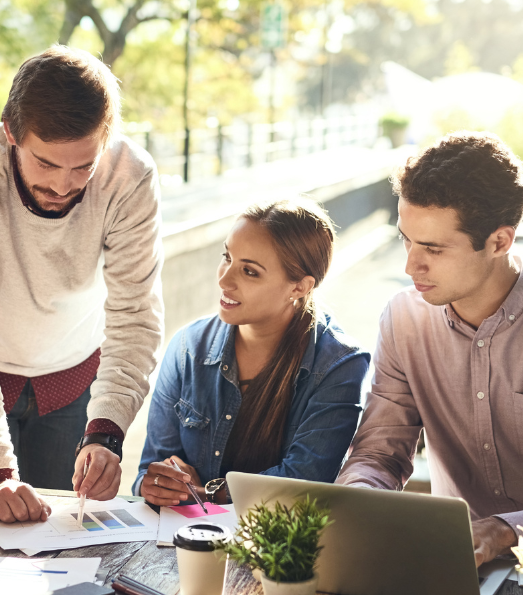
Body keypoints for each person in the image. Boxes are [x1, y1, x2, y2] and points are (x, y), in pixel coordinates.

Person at [337, 132, 523, 565]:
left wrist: (506, 530)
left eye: (432, 248)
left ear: (499, 241)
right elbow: (379, 453)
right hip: (450, 563)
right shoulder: (403, 319)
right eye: (406, 240)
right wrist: (359, 501)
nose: (410, 265)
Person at [0, 45, 163, 538]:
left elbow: (135, 315)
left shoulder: (131, 175)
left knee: (63, 553)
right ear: (11, 132)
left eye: (83, 167)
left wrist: (107, 432)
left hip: (74, 384)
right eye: (47, 164)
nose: (63, 185)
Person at [136, 199, 370, 507]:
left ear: (299, 286)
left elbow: (305, 482)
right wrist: (155, 485)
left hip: (279, 545)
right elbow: (150, 468)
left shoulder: (338, 365)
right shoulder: (187, 347)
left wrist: (209, 492)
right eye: (226, 257)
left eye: (249, 271)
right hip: (185, 537)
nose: (223, 279)